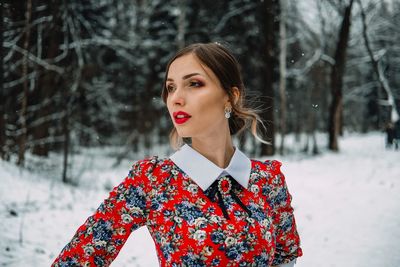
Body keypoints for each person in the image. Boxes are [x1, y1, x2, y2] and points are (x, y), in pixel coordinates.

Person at [52, 42, 302, 267]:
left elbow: (284, 261)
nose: (176, 99)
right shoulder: (153, 180)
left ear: (230, 97)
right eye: (171, 88)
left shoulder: (268, 181)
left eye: (194, 84)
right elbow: (79, 258)